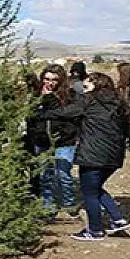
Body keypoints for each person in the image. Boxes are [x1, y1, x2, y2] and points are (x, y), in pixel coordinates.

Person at [36, 72, 130, 241]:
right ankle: (117, 219)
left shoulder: (88, 101)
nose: (82, 86)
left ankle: (95, 230)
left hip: (94, 155)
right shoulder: (117, 103)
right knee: (96, 188)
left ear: (96, 84)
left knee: (89, 192)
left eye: (87, 83)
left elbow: (63, 113)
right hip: (114, 156)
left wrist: (41, 110)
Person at [30, 64, 80, 218]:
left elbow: (66, 114)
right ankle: (48, 206)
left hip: (64, 141)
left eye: (54, 80)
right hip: (42, 141)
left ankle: (69, 202)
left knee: (63, 174)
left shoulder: (69, 96)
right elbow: (31, 116)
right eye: (46, 79)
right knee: (45, 175)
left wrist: (49, 98)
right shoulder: (35, 95)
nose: (49, 83)